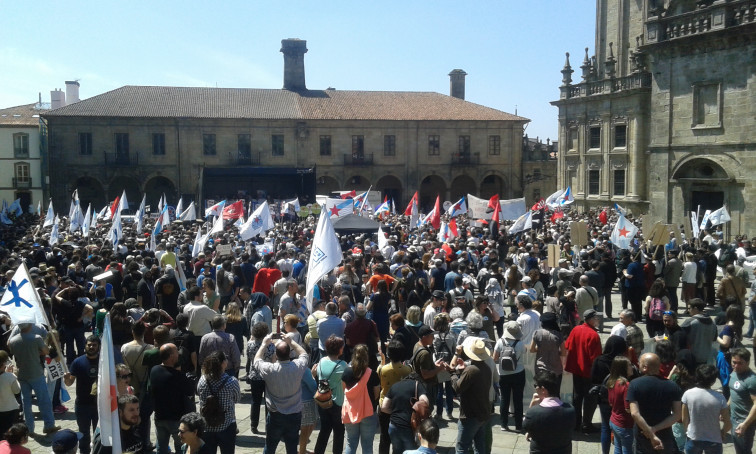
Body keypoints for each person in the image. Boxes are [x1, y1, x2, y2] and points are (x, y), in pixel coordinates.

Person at [254, 333, 309, 454]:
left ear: (276, 355)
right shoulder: (297, 366)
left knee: (270, 446)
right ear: (289, 354)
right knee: (292, 447)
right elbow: (304, 354)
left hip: (275, 415)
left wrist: (264, 344)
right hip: (294, 414)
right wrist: (291, 342)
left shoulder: (270, 369)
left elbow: (256, 360)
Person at [7, 323, 59, 435]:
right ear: (29, 326)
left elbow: (11, 349)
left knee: (26, 402)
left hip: (22, 373)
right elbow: (46, 351)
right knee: (44, 400)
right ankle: (49, 425)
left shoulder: (13, 340)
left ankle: (29, 428)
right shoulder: (36, 338)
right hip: (36, 373)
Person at [627, 352, 683, 453]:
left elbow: (635, 413)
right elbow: (677, 414)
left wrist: (651, 433)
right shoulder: (672, 386)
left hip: (642, 434)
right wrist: (655, 429)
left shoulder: (634, 384)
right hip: (665, 435)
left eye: (639, 363)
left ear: (645, 367)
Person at [150, 343, 196, 454]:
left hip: (160, 417)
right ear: (171, 356)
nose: (178, 355)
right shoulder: (178, 376)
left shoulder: (154, 370)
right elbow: (190, 391)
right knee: (180, 446)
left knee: (161, 445)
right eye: (176, 352)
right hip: (176, 419)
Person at [451, 338, 493, 454]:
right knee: (479, 446)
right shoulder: (486, 368)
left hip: (470, 415)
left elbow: (457, 388)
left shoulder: (470, 370)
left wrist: (453, 374)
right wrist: (462, 372)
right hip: (482, 413)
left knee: (461, 447)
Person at [564, 309, 602, 434]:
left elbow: (567, 346)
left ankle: (576, 423)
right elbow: (596, 358)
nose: (598, 320)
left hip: (576, 369)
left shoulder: (576, 329)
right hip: (588, 371)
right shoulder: (593, 335)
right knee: (590, 398)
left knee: (577, 396)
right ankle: (587, 424)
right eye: (596, 318)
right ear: (590, 319)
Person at [197, 351, 241, 454]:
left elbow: (199, 393)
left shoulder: (203, 380)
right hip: (226, 423)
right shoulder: (232, 381)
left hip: (207, 424)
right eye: (225, 359)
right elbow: (237, 399)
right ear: (222, 364)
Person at [682, 364, 731, 454]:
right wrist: (722, 433)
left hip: (693, 438)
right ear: (713, 381)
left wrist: (687, 431)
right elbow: (728, 423)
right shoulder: (720, 398)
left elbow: (684, 419)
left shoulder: (687, 394)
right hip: (714, 439)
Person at [522, 370, 575, 454]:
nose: (535, 388)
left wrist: (532, 404)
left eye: (536, 386)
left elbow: (526, 425)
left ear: (543, 389)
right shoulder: (570, 410)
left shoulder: (534, 412)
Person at [64, 335, 101, 454]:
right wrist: (66, 379)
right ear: (85, 345)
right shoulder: (77, 362)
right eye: (89, 344)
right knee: (84, 434)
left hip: (99, 404)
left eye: (94, 345)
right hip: (82, 404)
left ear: (99, 346)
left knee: (99, 433)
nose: (91, 347)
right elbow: (70, 383)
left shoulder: (104, 361)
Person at [341, 344, 380, 454]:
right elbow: (376, 394)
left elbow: (344, 390)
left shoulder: (346, 372)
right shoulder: (372, 374)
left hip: (350, 411)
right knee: (367, 446)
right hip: (368, 412)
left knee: (350, 444)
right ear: (367, 356)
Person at [313, 335, 347, 454]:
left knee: (324, 430)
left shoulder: (321, 361)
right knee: (339, 432)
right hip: (337, 403)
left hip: (322, 400)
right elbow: (345, 386)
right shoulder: (342, 365)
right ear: (339, 349)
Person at [376, 340, 411, 454]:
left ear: (389, 354)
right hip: (401, 406)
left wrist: (382, 358)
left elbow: (379, 374)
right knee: (400, 437)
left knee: (384, 437)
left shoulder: (383, 369)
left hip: (384, 405)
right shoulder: (408, 370)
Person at [380, 373, 429, 454]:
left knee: (396, 451)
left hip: (393, 426)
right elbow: (425, 401)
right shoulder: (417, 385)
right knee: (411, 451)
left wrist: (394, 412)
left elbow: (384, 407)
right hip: (409, 426)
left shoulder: (394, 386)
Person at [494, 321, 526, 432]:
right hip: (519, 374)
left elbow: (494, 358)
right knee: (518, 399)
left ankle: (503, 424)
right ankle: (518, 426)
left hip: (503, 374)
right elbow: (524, 353)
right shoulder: (520, 344)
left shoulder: (500, 342)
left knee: (504, 399)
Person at [729, 347, 756, 454]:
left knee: (743, 450)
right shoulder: (734, 372)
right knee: (738, 449)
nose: (736, 366)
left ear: (748, 362)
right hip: (734, 418)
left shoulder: (751, 380)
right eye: (734, 362)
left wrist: (745, 424)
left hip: (744, 421)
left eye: (740, 363)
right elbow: (734, 392)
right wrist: (727, 407)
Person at [606, 355, 634, 454]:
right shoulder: (626, 385)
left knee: (618, 447)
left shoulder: (611, 382)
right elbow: (628, 408)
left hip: (614, 420)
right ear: (623, 369)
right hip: (624, 424)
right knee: (627, 449)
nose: (632, 367)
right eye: (630, 365)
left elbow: (610, 403)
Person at [530, 312, 565, 391]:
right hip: (556, 369)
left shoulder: (537, 333)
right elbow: (564, 353)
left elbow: (532, 350)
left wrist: (540, 349)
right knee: (555, 393)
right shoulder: (558, 335)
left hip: (541, 369)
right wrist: (556, 351)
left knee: (542, 393)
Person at [681, 298, 717, 367]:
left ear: (695, 308)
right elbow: (714, 339)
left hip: (692, 358)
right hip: (707, 358)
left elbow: (680, 337)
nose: (688, 311)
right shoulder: (712, 323)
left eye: (689, 308)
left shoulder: (690, 322)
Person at [0, 351, 20, 439]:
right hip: (10, 409)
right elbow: (17, 390)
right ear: (3, 363)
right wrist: (13, 374)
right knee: (11, 434)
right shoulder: (9, 376)